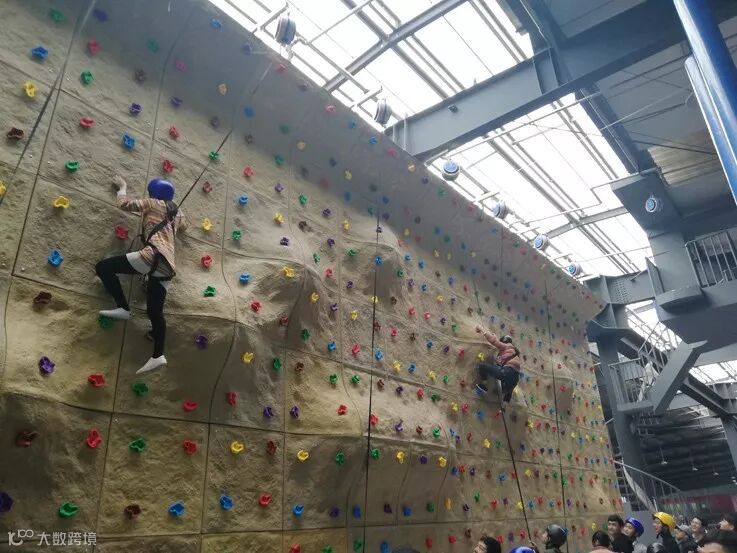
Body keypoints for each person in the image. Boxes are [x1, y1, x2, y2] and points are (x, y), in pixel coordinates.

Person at [95, 175, 187, 375]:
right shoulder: (177, 213)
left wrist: (122, 187)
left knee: (103, 268)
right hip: (168, 267)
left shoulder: (153, 203)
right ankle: (158, 355)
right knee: (155, 312)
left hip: (151, 256)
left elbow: (125, 204)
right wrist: (175, 211)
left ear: (153, 193)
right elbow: (185, 225)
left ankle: (123, 307)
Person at [474, 325, 522, 408]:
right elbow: (500, 362)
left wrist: (482, 329)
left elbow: (493, 341)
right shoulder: (514, 353)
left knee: (482, 367)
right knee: (508, 391)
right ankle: (504, 406)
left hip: (507, 372)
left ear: (504, 341)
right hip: (515, 378)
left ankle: (484, 385)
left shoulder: (507, 346)